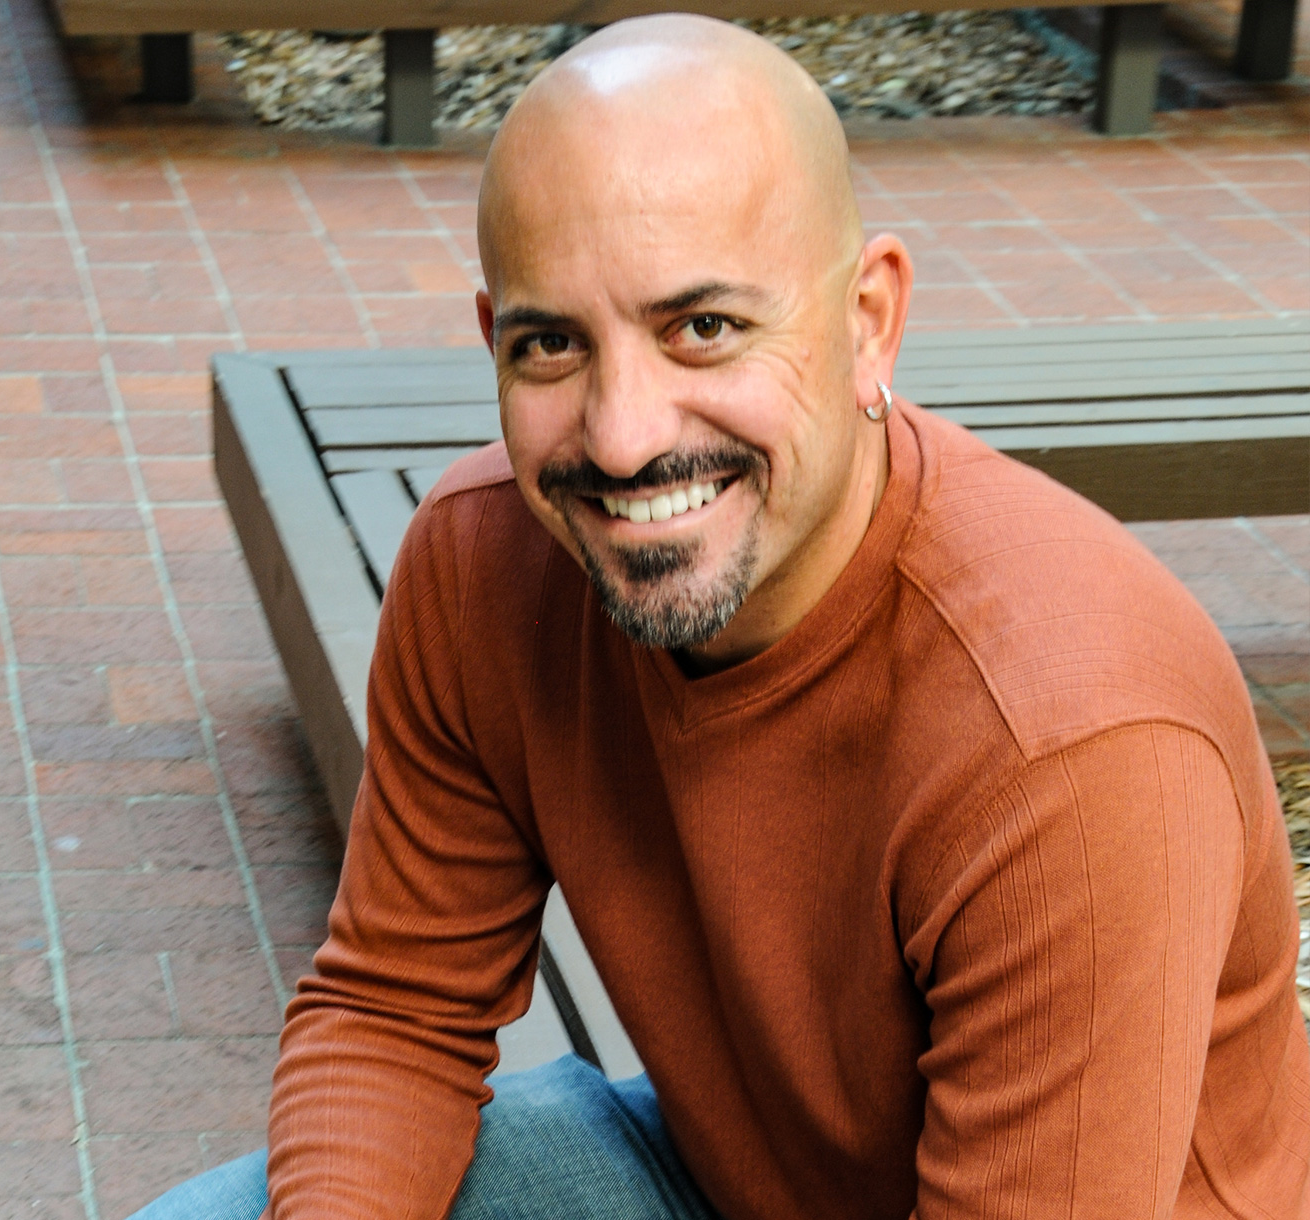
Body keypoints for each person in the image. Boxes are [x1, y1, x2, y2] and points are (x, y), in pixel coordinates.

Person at [132, 15, 1309, 1220]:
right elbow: (396, 1007)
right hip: (729, 1171)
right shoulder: (487, 561)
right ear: (492, 343)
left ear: (868, 322)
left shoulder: (1070, 736)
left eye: (704, 326)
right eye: (553, 346)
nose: (625, 434)